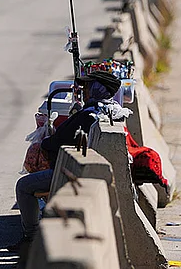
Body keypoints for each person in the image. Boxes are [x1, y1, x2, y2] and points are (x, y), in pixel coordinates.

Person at [8, 70, 125, 252]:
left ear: (97, 89)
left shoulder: (87, 115)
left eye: (87, 87)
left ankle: (31, 238)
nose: (84, 91)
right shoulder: (111, 110)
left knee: (23, 186)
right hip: (91, 169)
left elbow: (53, 143)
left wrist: (44, 140)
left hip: (73, 172)